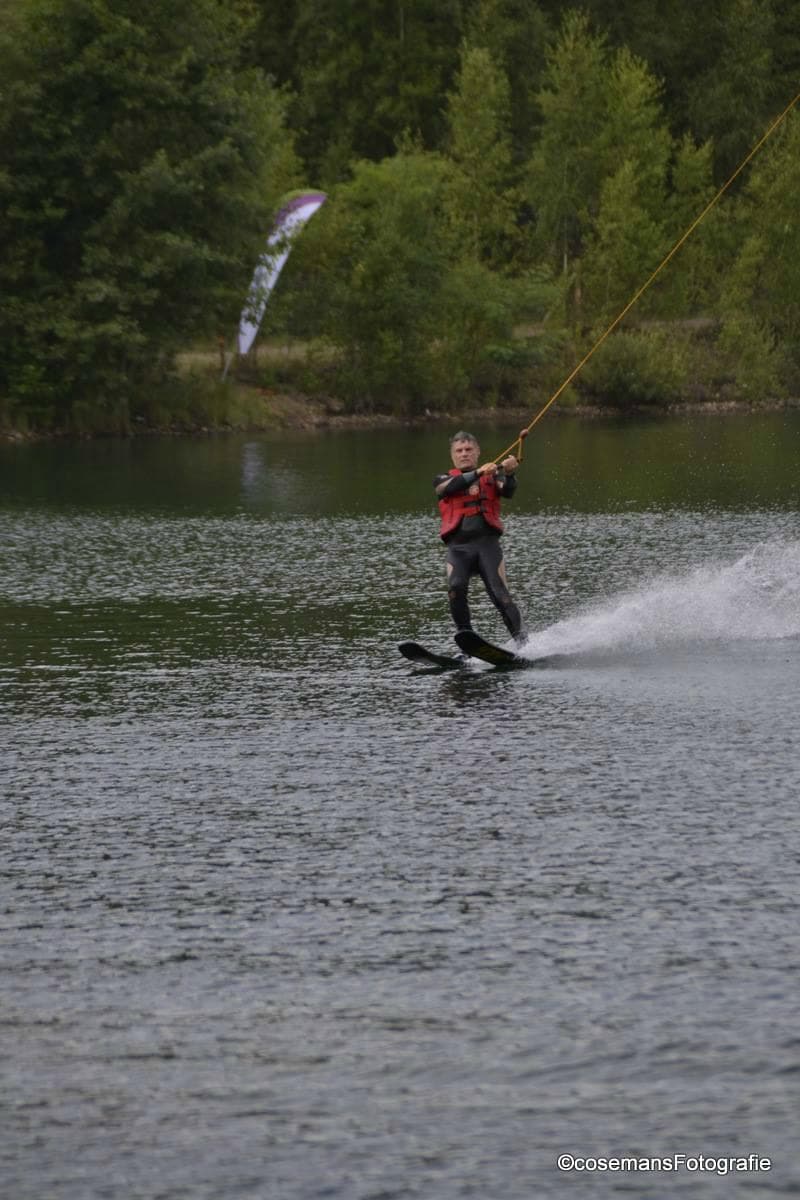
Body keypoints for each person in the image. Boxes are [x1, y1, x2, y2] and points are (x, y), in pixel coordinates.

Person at [434, 430, 526, 644]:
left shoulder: (493, 478)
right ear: (452, 455)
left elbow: (509, 491)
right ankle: (466, 641)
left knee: (500, 594)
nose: (464, 454)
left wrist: (510, 474)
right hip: (458, 549)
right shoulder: (442, 480)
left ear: (477, 452)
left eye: (468, 450)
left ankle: (523, 643)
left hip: (487, 547)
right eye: (459, 450)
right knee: (455, 588)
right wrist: (478, 473)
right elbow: (451, 487)